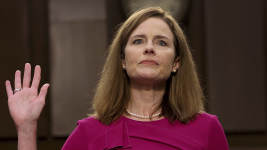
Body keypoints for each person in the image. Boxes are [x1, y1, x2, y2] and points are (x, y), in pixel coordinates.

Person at [5, 7, 229, 150]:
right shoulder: (89, 132)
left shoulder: (207, 128)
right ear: (122, 60)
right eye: (138, 41)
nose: (149, 48)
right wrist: (26, 128)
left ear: (176, 62)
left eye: (161, 42)